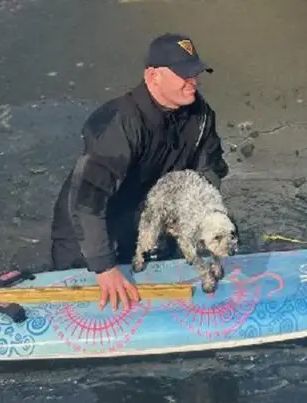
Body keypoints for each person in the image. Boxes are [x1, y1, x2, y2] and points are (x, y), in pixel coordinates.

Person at [50, 33, 230, 311]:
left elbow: (209, 171)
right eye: (184, 74)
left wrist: (206, 225)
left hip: (144, 217)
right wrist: (103, 266)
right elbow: (88, 202)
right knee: (97, 291)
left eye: (195, 72)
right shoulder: (120, 123)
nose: (193, 80)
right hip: (86, 231)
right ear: (153, 76)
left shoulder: (201, 115)